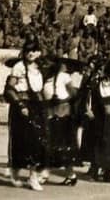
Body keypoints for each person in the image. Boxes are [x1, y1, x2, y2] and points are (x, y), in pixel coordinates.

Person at [4, 40, 48, 191]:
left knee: (37, 141)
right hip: (22, 104)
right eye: (28, 50)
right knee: (21, 140)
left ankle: (33, 177)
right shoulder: (19, 67)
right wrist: (20, 105)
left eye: (34, 50)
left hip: (37, 105)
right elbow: (10, 88)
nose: (31, 53)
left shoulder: (40, 67)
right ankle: (15, 173)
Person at [79, 56, 110, 183]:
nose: (99, 72)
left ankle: (107, 173)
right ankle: (94, 172)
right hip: (98, 116)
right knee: (98, 142)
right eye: (98, 69)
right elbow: (87, 97)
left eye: (102, 69)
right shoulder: (94, 82)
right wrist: (89, 110)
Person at [44, 57, 83, 186]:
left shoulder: (64, 77)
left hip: (62, 114)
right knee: (51, 145)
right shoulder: (46, 77)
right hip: (50, 113)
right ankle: (69, 175)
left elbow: (73, 93)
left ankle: (48, 174)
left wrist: (62, 102)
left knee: (62, 145)